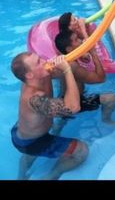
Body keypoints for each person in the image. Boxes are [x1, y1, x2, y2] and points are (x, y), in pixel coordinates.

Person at [11, 52, 88, 180]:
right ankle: (52, 175)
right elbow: (74, 107)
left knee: (30, 154)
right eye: (38, 62)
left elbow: (65, 66)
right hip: (32, 142)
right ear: (29, 75)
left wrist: (82, 59)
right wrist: (67, 70)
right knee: (82, 150)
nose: (44, 60)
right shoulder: (35, 99)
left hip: (23, 132)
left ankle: (21, 176)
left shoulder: (39, 74)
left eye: (40, 57)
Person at [54, 30, 115, 127]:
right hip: (76, 100)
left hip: (64, 97)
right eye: (76, 40)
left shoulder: (63, 59)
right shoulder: (73, 66)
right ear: (68, 49)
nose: (80, 41)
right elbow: (101, 79)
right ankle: (106, 120)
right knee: (111, 98)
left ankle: (59, 124)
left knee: (62, 122)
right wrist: (94, 53)